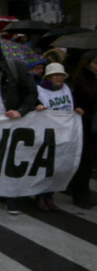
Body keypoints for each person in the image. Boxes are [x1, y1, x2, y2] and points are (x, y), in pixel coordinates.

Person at [0, 40, 38, 214]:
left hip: (11, 124)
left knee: (10, 160)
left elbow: (31, 92)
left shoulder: (15, 69)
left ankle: (10, 196)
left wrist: (21, 111)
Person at [34, 63, 83, 211]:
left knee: (57, 165)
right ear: (48, 77)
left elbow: (71, 105)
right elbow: (33, 106)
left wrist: (77, 109)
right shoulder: (39, 90)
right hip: (47, 133)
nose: (58, 78)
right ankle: (40, 195)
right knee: (45, 166)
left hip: (64, 133)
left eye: (61, 75)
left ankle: (50, 195)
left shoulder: (67, 89)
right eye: (55, 75)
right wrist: (37, 107)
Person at [70, 51, 97, 209]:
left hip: (93, 124)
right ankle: (79, 194)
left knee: (90, 161)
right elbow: (91, 96)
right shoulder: (80, 80)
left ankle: (84, 191)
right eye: (95, 63)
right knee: (84, 161)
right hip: (84, 125)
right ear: (87, 65)